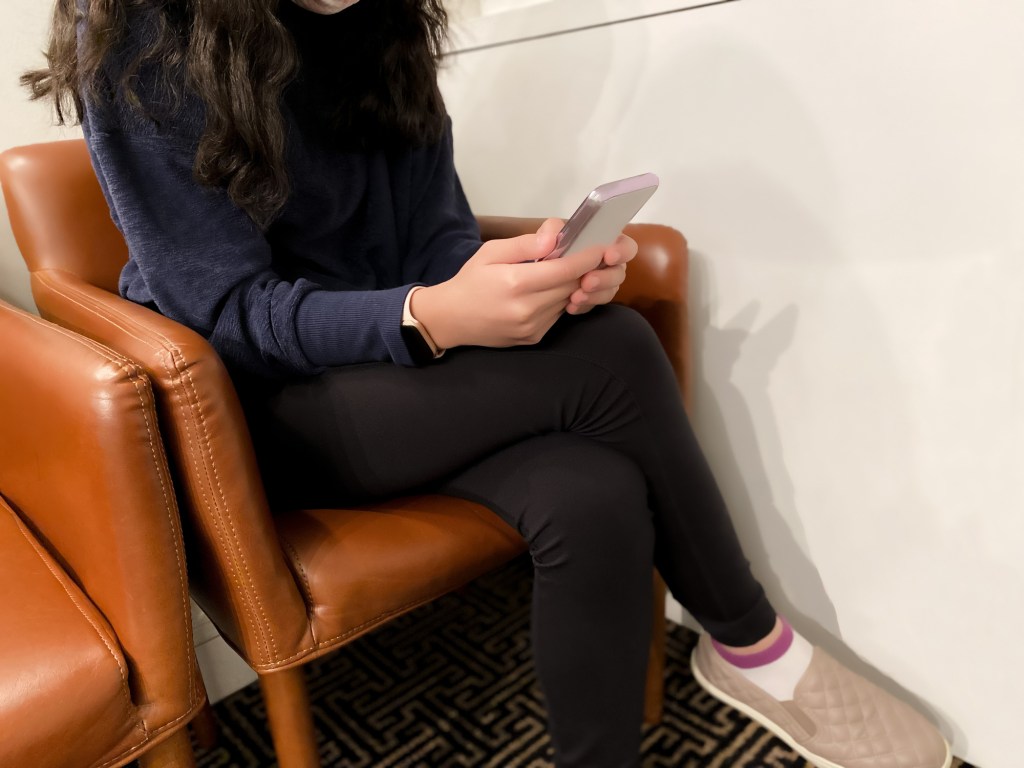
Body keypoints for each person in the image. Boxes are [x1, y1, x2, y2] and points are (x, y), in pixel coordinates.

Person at [25, 1, 952, 767]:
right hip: (257, 408)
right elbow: (227, 314)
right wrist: (427, 318)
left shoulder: (382, 27)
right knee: (618, 351)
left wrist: (522, 278)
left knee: (595, 492)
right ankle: (753, 644)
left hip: (397, 381)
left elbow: (434, 234)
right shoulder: (147, 37)